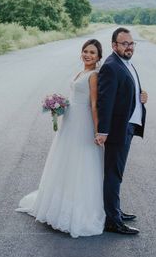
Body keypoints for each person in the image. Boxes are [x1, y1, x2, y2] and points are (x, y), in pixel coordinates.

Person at [16, 39, 105, 238]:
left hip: (83, 123)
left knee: (79, 161)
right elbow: (74, 97)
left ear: (99, 57)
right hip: (69, 121)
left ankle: (77, 211)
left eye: (92, 52)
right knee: (64, 160)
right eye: (85, 51)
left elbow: (93, 104)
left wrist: (98, 131)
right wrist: (59, 105)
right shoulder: (79, 72)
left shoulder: (93, 76)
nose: (88, 55)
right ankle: (59, 204)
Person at [95, 27, 148, 235]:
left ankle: (114, 211)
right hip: (117, 130)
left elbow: (127, 90)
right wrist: (103, 131)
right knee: (113, 175)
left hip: (127, 125)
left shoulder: (125, 63)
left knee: (116, 173)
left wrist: (141, 96)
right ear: (114, 45)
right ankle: (113, 221)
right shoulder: (111, 66)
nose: (129, 47)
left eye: (131, 43)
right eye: (124, 43)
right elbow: (105, 102)